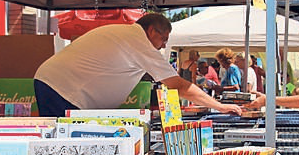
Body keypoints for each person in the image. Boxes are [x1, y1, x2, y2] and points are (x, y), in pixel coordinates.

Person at [33, 13, 242, 117]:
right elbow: (178, 85)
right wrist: (220, 107)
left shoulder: (126, 35)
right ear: (152, 31)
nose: (164, 45)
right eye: (164, 39)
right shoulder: (137, 40)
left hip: (57, 84)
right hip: (62, 89)